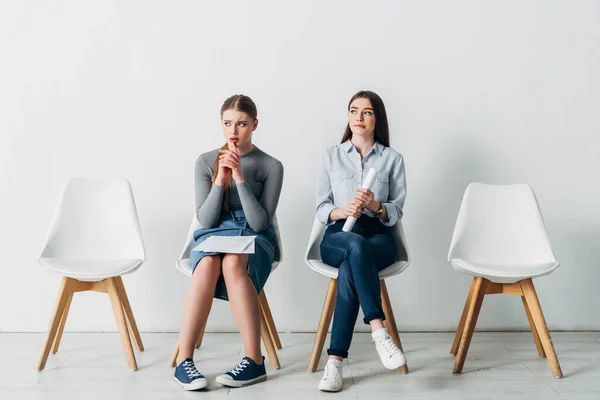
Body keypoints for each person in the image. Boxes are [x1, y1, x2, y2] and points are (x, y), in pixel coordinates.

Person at [174, 94, 283, 390]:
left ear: (254, 125)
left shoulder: (271, 165)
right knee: (208, 263)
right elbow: (206, 221)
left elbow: (261, 222)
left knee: (233, 263)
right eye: (227, 124)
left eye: (242, 124)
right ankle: (185, 361)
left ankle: (254, 360)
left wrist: (239, 177)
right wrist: (221, 179)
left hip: (253, 234)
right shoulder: (205, 161)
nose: (234, 131)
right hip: (214, 232)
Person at [315, 90, 407, 392]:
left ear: (376, 118)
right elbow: (321, 208)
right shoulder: (331, 156)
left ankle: (335, 363)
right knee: (353, 247)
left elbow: (396, 210)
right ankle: (379, 331)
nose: (358, 117)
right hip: (338, 235)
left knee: (351, 265)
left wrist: (374, 206)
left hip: (377, 236)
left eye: (366, 112)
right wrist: (343, 210)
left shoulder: (392, 159)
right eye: (354, 111)